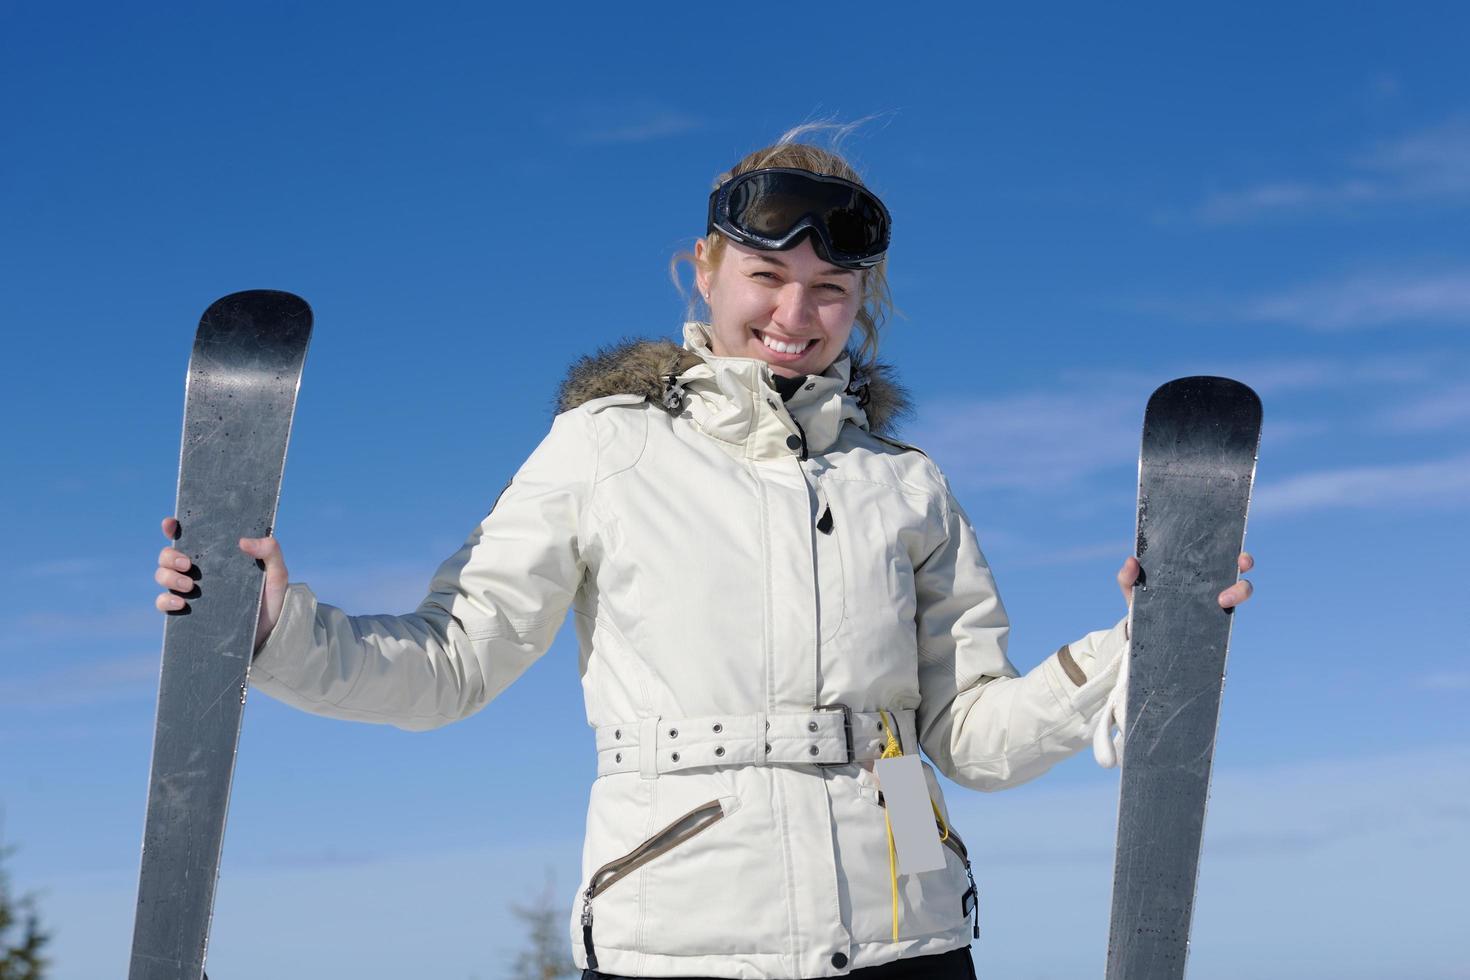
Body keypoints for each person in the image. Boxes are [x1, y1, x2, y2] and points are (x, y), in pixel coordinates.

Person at [152, 132, 1254, 980]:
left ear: (861, 301)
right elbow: (453, 661)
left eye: (829, 291)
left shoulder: (904, 481)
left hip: (914, 926)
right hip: (684, 935)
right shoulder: (607, 447)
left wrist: (1132, 651)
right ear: (706, 269)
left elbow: (966, 735)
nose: (796, 313)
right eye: (767, 280)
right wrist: (273, 632)